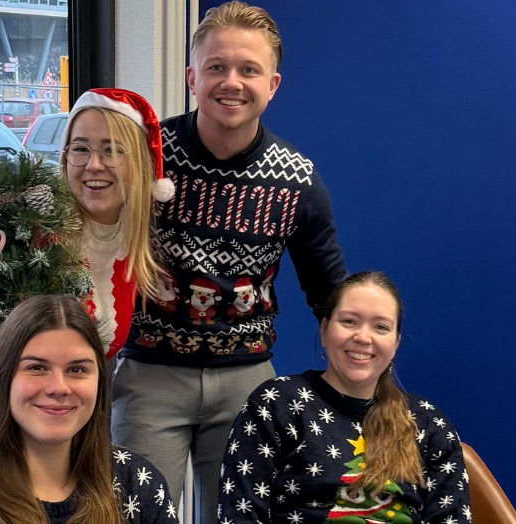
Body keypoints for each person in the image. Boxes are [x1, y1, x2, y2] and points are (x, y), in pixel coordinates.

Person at [112, 2, 348, 522]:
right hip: (149, 374)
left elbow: (329, 292)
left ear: (273, 85)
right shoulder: (144, 156)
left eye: (249, 70)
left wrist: (357, 373)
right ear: (192, 77)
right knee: (134, 514)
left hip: (247, 378)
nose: (231, 82)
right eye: (216, 67)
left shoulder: (298, 179)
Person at [0, 88, 173, 512]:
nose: (95, 164)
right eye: (81, 148)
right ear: (65, 157)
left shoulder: (132, 247)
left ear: (138, 163)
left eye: (112, 150)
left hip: (41, 429)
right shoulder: (17, 218)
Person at [217, 271, 471, 524]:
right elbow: (240, 516)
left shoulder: (428, 424)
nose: (363, 337)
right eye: (349, 321)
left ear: (395, 344)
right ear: (324, 330)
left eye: (381, 327)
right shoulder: (276, 404)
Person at [0, 295, 179, 524]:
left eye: (77, 369)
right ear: (4, 380)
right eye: (36, 367)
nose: (58, 387)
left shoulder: (138, 482)